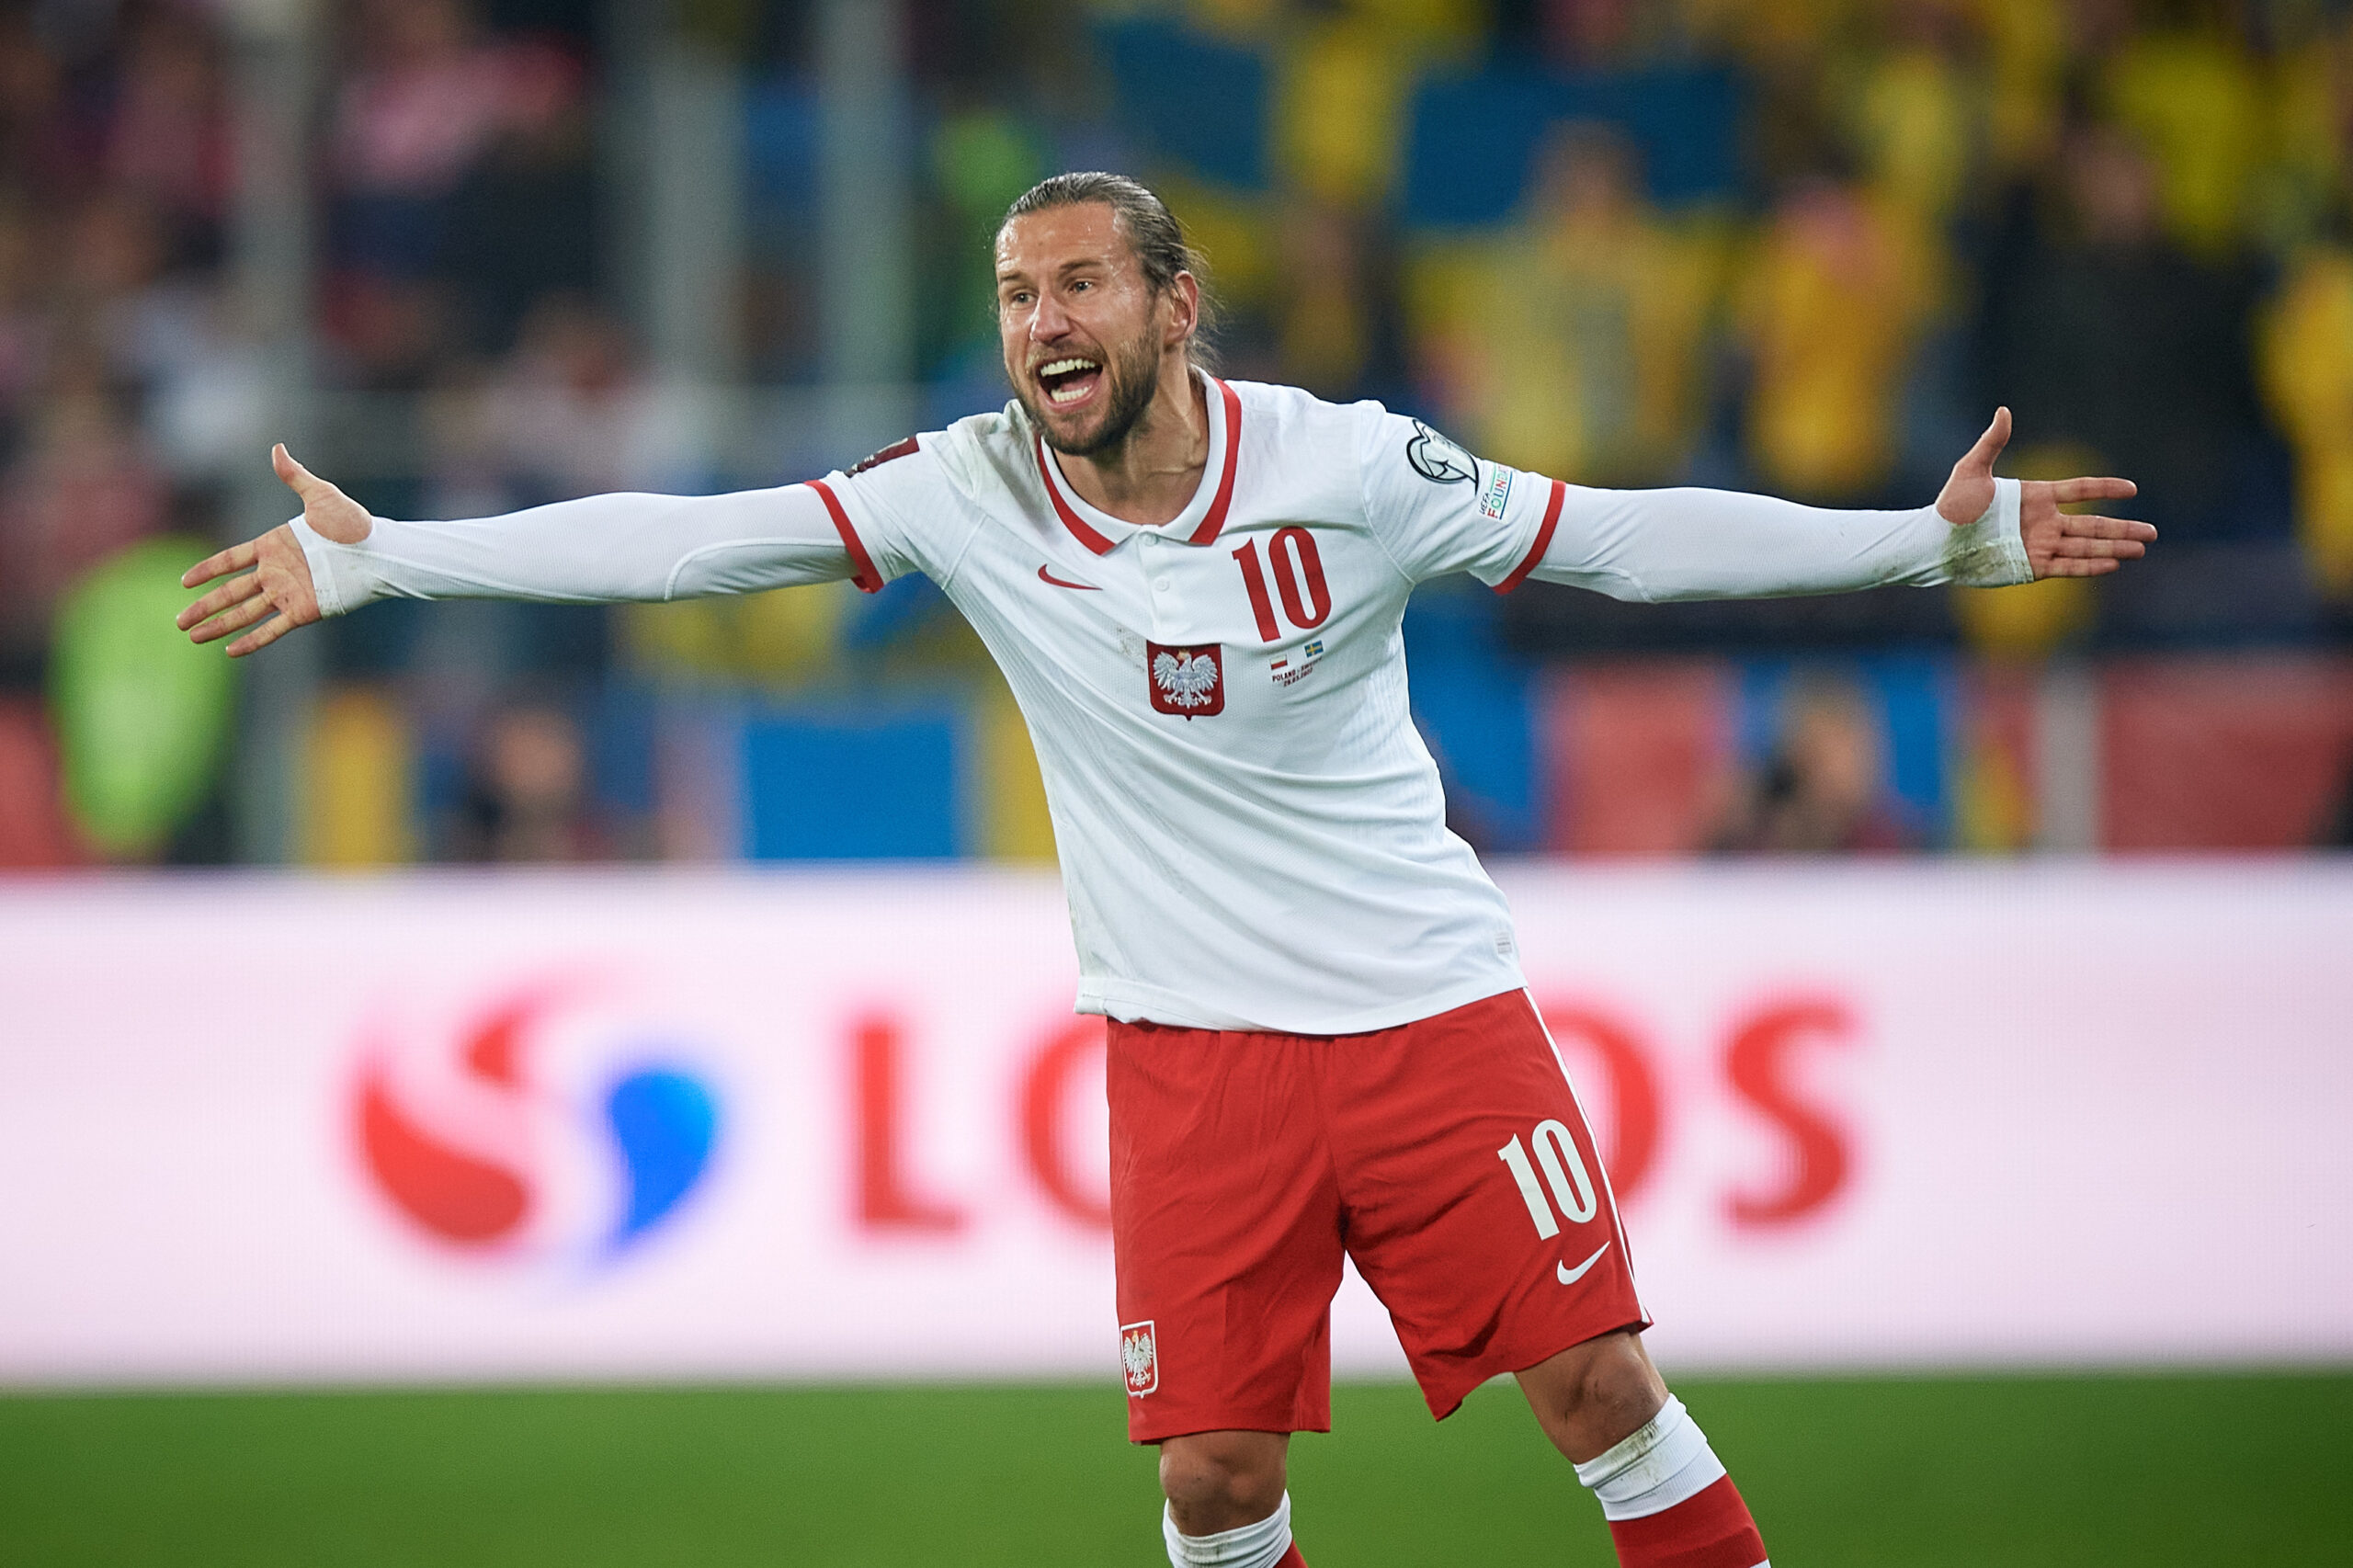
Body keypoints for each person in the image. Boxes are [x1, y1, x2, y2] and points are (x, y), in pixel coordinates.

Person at [176, 172, 2152, 1568]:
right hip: (1191, 1060)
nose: (1042, 323)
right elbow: (693, 540)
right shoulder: (966, 492)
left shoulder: (1349, 467)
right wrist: (393, 557)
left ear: (1171, 304)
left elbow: (1617, 539)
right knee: (1209, 1483)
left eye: (1079, 288)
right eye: (1017, 295)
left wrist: (1927, 543)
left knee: (1597, 1394)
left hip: (1425, 1017)